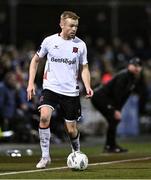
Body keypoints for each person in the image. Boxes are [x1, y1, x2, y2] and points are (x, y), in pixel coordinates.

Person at [27, 11, 93, 168]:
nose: (74, 29)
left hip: (71, 92)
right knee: (44, 117)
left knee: (71, 130)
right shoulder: (49, 41)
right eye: (71, 25)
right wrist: (30, 83)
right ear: (62, 24)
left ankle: (76, 152)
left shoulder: (80, 45)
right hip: (51, 88)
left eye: (76, 26)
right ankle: (45, 157)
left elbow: (84, 68)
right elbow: (35, 61)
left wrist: (88, 85)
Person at [91, 57, 143, 153]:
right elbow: (117, 94)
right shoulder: (124, 76)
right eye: (134, 65)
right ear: (129, 65)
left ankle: (110, 145)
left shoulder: (132, 79)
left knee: (114, 120)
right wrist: (115, 110)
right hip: (99, 97)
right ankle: (110, 145)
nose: (136, 67)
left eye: (138, 66)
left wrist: (118, 109)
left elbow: (124, 98)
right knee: (114, 118)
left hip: (106, 99)